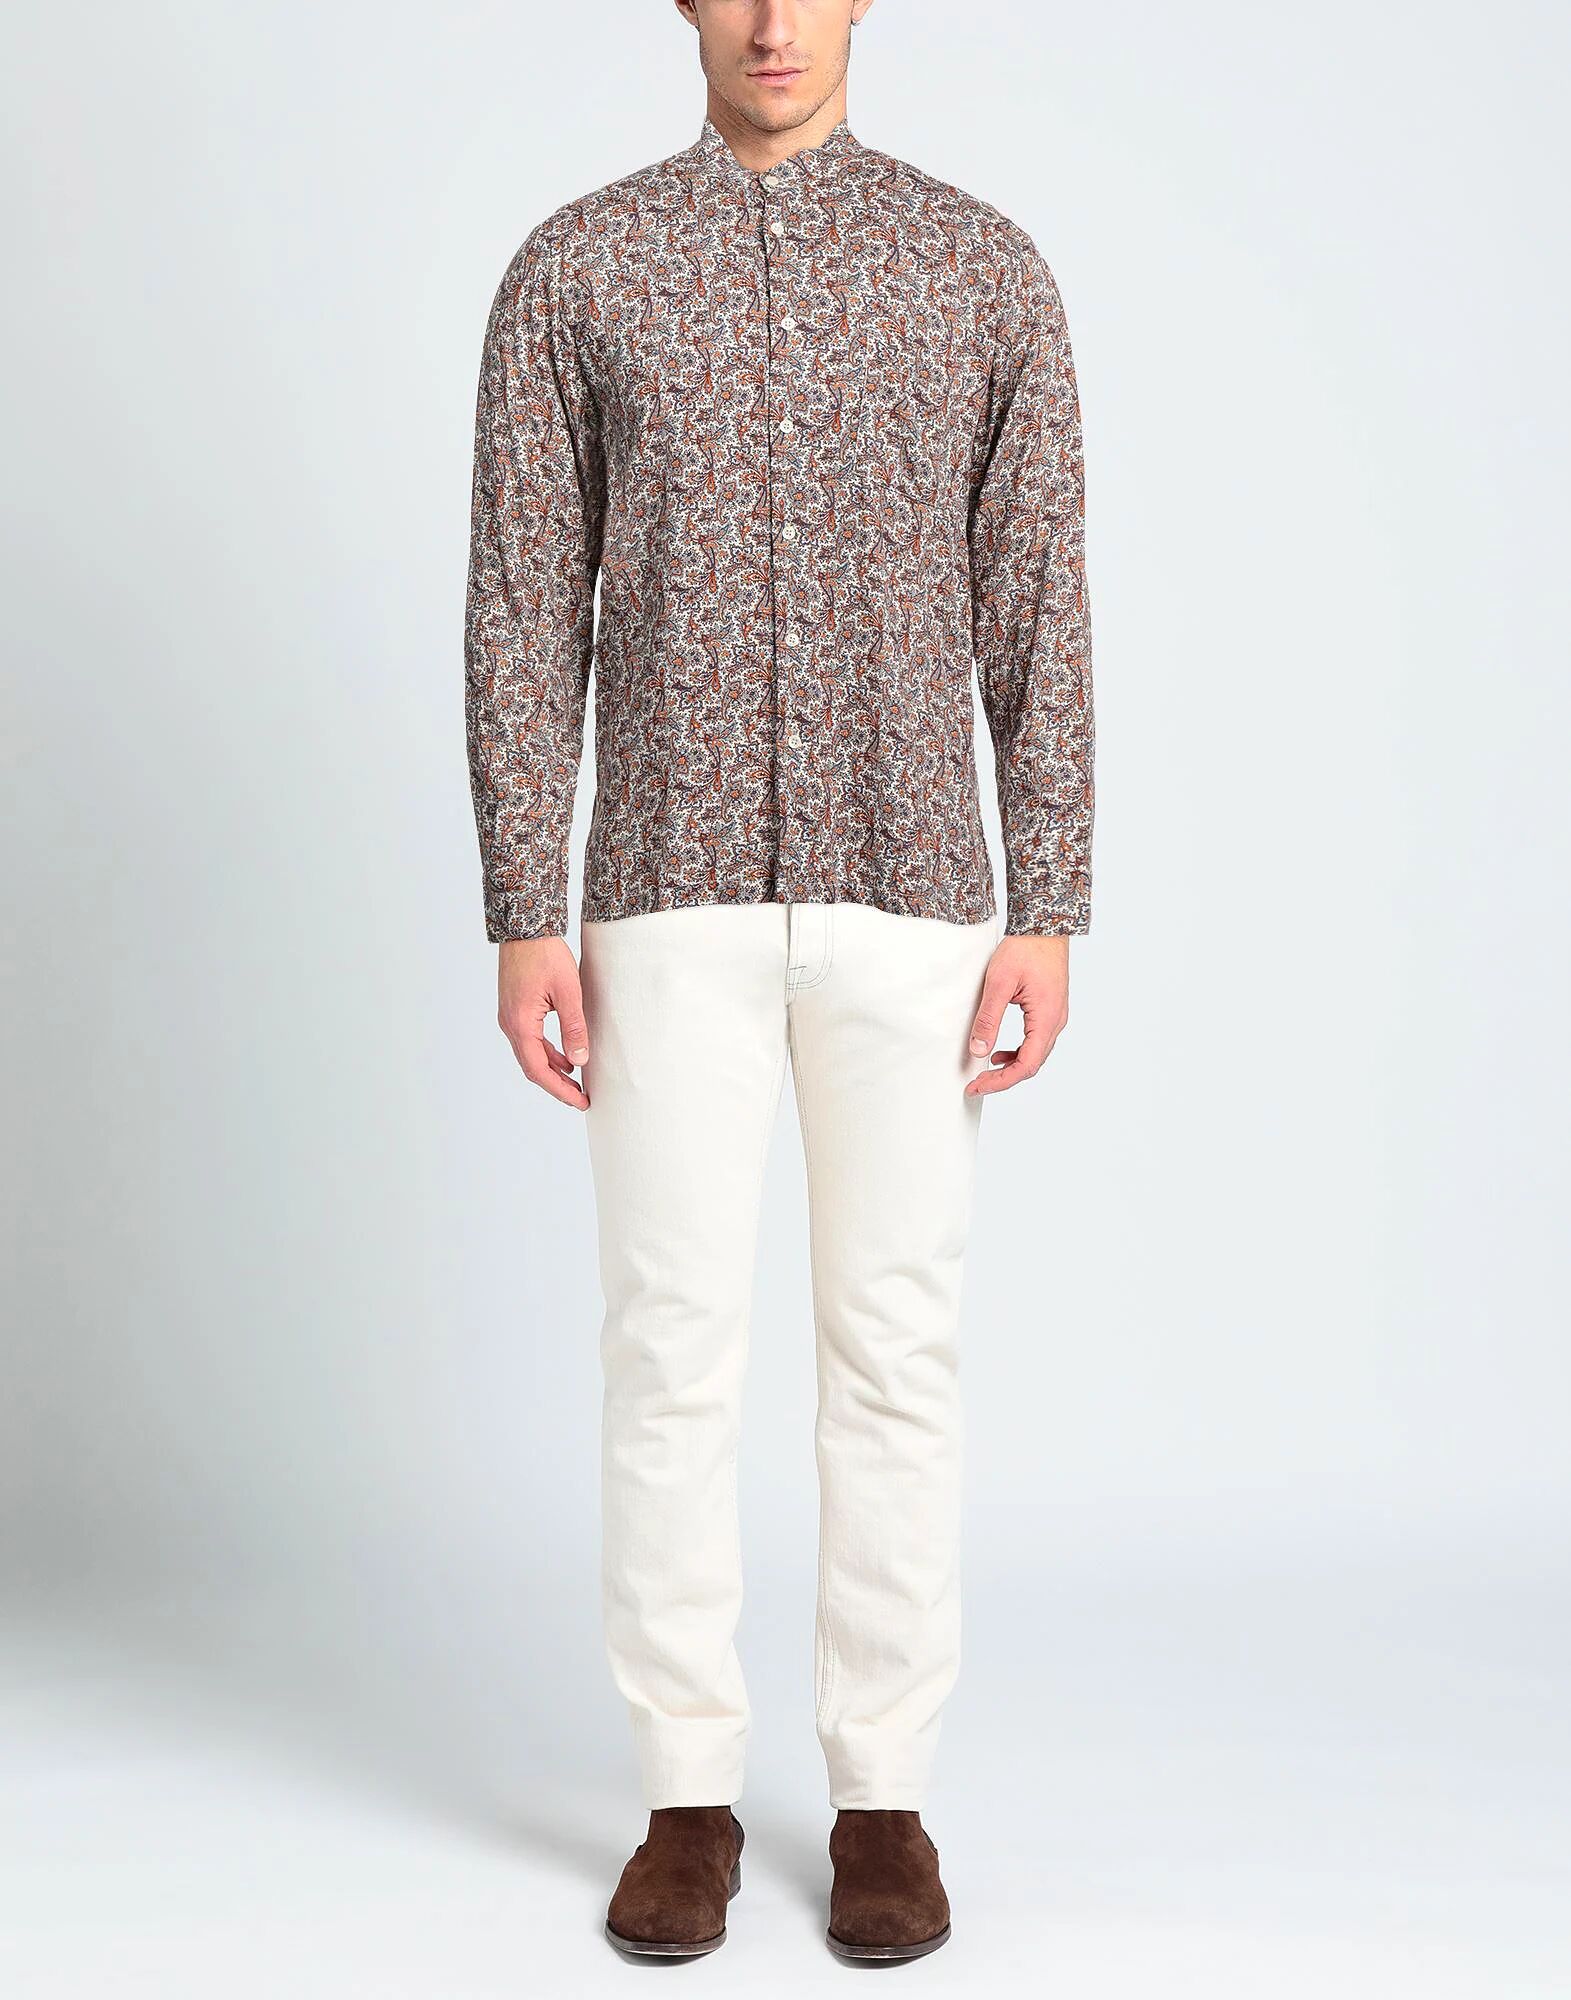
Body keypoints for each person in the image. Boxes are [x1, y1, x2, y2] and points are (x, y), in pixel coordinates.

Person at [463, 0, 1093, 1963]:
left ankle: (884, 1795)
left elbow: (1039, 592)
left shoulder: (980, 269)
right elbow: (520, 600)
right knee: (669, 1352)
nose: (767, 20)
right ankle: (684, 1793)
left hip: (914, 895)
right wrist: (524, 904)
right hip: (661, 895)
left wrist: (1051, 897)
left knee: (895, 1351)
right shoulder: (576, 271)